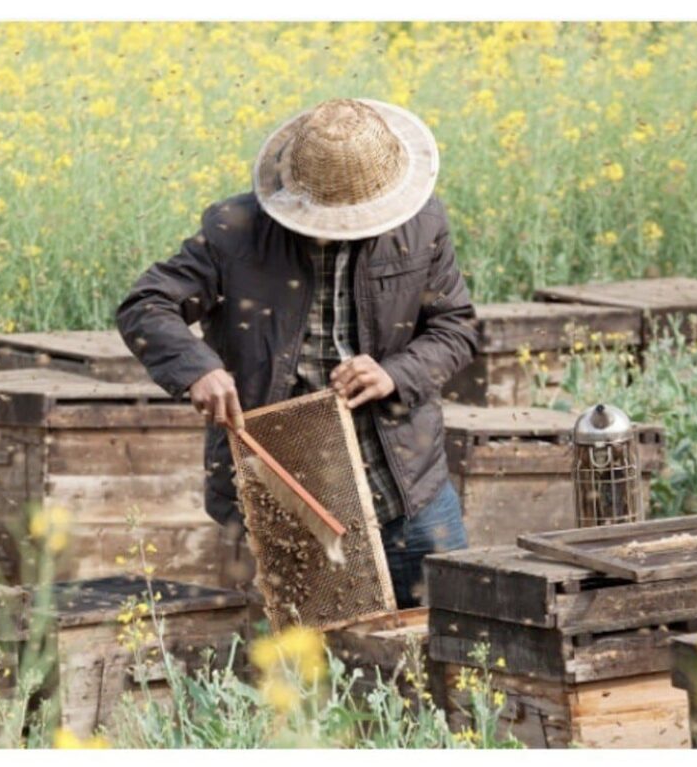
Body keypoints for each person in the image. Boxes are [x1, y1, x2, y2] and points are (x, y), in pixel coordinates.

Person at [116, 97, 478, 607]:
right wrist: (198, 369)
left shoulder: (422, 225)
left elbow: (455, 328)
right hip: (284, 487)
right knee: (305, 666)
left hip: (406, 483)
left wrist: (396, 373)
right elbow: (146, 304)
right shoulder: (234, 229)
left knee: (447, 639)